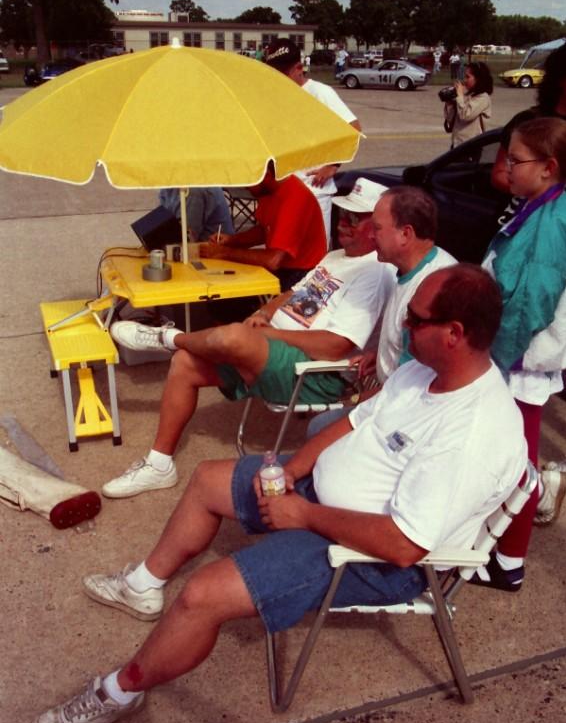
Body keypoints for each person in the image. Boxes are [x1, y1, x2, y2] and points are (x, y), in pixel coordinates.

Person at [31, 265, 526, 723]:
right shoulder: (423, 373)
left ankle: (120, 690)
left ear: (454, 333)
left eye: (415, 319)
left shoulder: (474, 434)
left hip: (369, 556)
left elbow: (403, 545)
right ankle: (143, 585)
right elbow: (354, 422)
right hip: (322, 502)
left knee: (202, 596)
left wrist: (303, 514)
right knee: (207, 480)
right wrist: (294, 470)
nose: (402, 324)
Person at [101, 179, 395, 500]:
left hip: (311, 372)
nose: (345, 223)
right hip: (275, 351)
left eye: (357, 218)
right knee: (186, 362)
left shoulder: (374, 273)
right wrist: (265, 314)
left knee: (234, 334)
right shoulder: (336, 257)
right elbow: (292, 293)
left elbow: (335, 345)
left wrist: (267, 333)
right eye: (343, 214)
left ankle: (169, 336)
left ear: (377, 229)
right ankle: (159, 465)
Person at [470, 117, 566, 593]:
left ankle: (508, 561)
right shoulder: (540, 206)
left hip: (520, 361)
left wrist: (491, 357)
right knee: (513, 458)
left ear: (549, 168)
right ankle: (500, 547)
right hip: (518, 357)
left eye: (515, 159)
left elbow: (531, 299)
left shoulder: (552, 220)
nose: (505, 167)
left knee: (518, 465)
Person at [307, 185, 456, 436]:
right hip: (396, 394)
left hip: (409, 412)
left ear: (405, 234)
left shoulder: (430, 291)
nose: (372, 236)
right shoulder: (416, 269)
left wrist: (361, 400)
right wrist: (380, 354)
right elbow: (407, 344)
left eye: (377, 228)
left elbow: (416, 384)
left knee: (319, 430)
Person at [265, 39, 361, 243]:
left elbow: (353, 129)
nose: (277, 78)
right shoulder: (274, 96)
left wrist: (333, 165)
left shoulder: (321, 93)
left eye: (283, 73)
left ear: (299, 68)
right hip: (284, 191)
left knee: (314, 256)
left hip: (313, 191)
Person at [198, 164, 327, 291]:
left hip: (302, 275)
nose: (245, 187)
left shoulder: (295, 198)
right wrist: (232, 240)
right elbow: (265, 230)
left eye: (249, 182)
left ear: (266, 175)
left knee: (229, 297)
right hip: (284, 269)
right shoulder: (268, 191)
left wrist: (224, 253)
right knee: (223, 291)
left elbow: (272, 260)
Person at [491, 41, 566, 193]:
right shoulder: (529, 122)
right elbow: (500, 174)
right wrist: (547, 194)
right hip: (534, 213)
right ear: (560, 78)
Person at [443, 61, 493, 148]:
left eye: (468, 77)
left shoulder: (483, 98)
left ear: (478, 79)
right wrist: (450, 104)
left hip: (471, 146)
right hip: (457, 143)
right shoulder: (468, 96)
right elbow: (452, 120)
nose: (464, 80)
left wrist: (460, 96)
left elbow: (465, 116)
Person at [158, 187, 234, 242]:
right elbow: (162, 222)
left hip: (214, 253)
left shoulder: (193, 191)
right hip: (196, 248)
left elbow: (186, 238)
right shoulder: (168, 188)